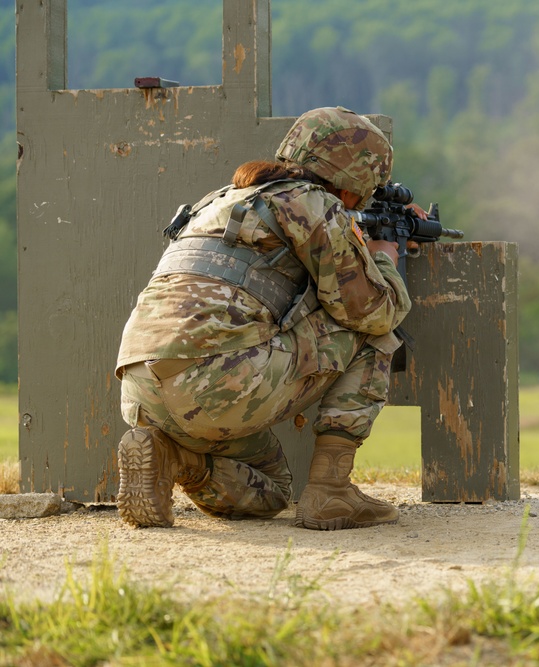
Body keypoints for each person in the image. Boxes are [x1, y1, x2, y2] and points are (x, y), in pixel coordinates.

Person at [114, 106, 411, 531]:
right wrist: (383, 260)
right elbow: (373, 313)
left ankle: (174, 457)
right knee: (372, 333)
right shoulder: (312, 205)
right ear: (353, 180)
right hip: (220, 382)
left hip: (142, 387)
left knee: (272, 488)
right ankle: (331, 491)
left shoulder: (224, 199)